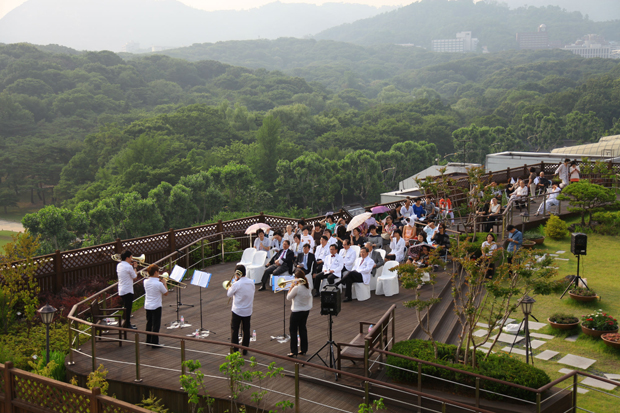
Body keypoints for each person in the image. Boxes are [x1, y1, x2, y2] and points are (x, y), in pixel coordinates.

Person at [227, 265, 255, 355]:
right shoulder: (251, 282)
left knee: (235, 330)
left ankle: (235, 351)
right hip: (248, 310)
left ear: (237, 274)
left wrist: (233, 283)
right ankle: (245, 350)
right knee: (246, 330)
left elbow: (229, 294)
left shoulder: (237, 284)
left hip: (237, 311)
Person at [287, 269, 312, 357]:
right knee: (302, 329)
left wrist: (291, 286)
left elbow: (288, 297)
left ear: (297, 278)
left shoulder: (297, 288)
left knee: (293, 331)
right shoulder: (307, 286)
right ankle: (303, 349)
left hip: (296, 311)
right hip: (305, 310)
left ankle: (293, 351)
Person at [144, 264, 168, 347]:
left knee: (149, 323)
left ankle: (148, 341)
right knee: (156, 324)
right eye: (158, 272)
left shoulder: (145, 281)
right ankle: (155, 343)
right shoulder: (159, 284)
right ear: (155, 272)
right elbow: (166, 293)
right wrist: (164, 283)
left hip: (148, 305)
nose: (159, 273)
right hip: (156, 306)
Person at [117, 250, 138, 329]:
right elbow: (135, 277)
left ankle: (126, 323)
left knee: (126, 308)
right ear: (127, 257)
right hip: (128, 290)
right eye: (131, 257)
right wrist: (135, 267)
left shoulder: (119, 265)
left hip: (122, 289)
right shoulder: (129, 266)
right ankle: (127, 324)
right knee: (128, 309)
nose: (132, 259)